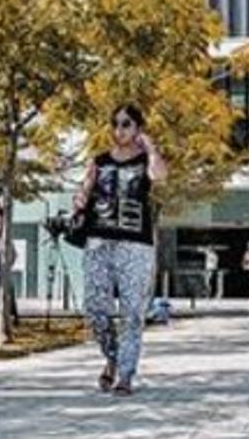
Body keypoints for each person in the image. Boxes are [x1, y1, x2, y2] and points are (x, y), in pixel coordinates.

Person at [74, 103, 167, 396]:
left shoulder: (145, 161)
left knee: (132, 312)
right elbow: (83, 191)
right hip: (99, 241)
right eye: (115, 123)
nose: (119, 129)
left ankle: (125, 374)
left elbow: (160, 176)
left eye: (126, 124)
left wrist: (150, 147)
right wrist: (79, 199)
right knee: (95, 309)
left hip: (135, 244)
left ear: (138, 127)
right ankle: (112, 358)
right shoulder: (99, 161)